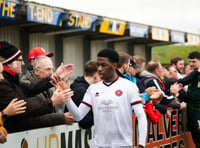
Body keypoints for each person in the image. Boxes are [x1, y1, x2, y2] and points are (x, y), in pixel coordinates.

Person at [66, 48, 147, 148]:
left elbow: (141, 116)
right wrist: (67, 98)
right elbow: (78, 116)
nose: (99, 69)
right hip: (98, 145)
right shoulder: (92, 89)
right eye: (98, 65)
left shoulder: (129, 86)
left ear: (114, 66)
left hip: (123, 145)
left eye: (103, 65)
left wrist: (141, 144)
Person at [0, 41, 73, 133]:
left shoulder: (13, 79)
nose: (23, 63)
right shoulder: (5, 82)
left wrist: (54, 77)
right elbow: (25, 111)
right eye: (20, 60)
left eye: (52, 69)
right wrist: (52, 103)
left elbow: (29, 88)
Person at [21, 56, 74, 125]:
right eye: (48, 69)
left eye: (52, 70)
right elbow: (34, 118)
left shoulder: (47, 85)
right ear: (37, 71)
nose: (51, 73)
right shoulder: (26, 85)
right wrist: (61, 118)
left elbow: (52, 111)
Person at [64, 60, 100, 129]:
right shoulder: (81, 91)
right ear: (96, 76)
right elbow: (83, 121)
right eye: (101, 76)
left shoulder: (82, 87)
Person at [187, 51, 200, 148]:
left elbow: (196, 95)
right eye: (190, 62)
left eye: (194, 62)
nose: (191, 64)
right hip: (193, 114)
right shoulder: (194, 74)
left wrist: (179, 94)